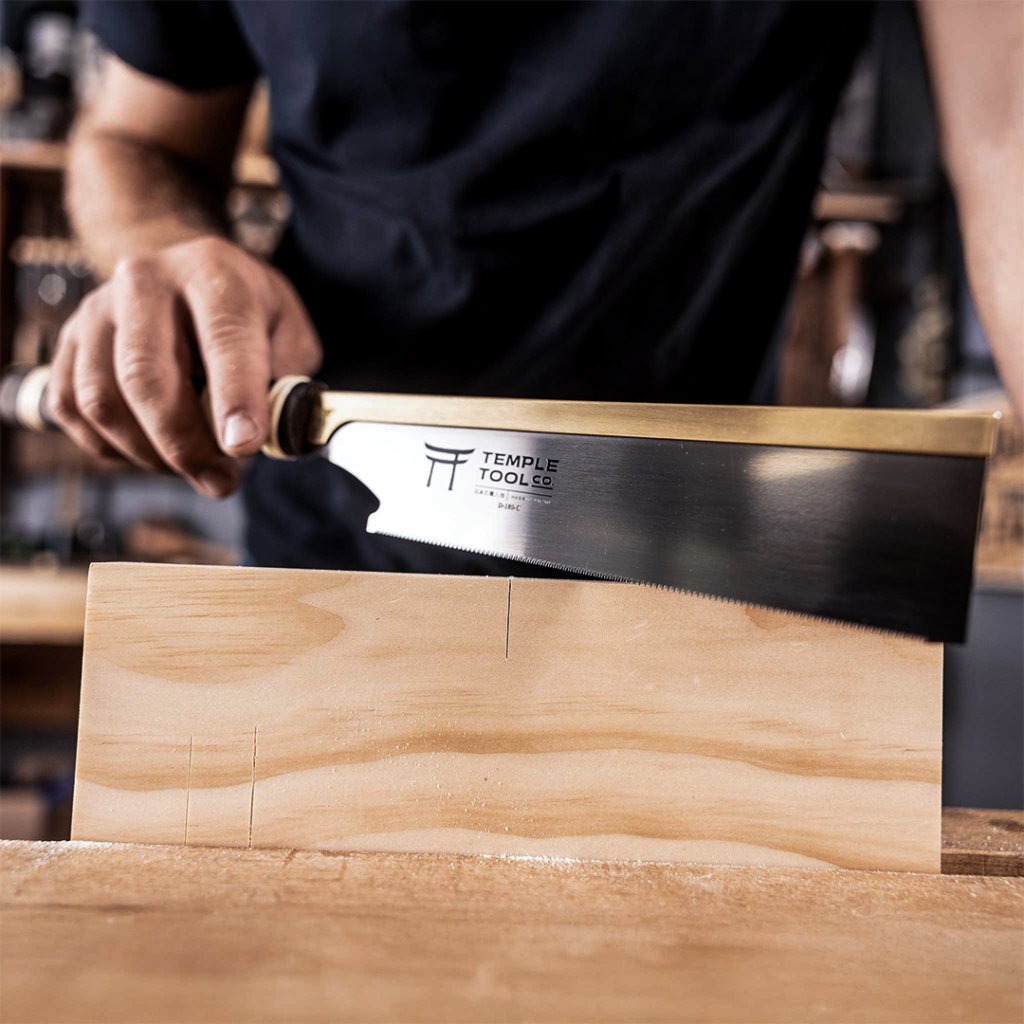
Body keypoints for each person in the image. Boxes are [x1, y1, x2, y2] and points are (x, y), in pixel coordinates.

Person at [51, 1, 1022, 573]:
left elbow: (1009, 140)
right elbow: (136, 138)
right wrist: (168, 247)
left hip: (696, 551)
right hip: (332, 549)